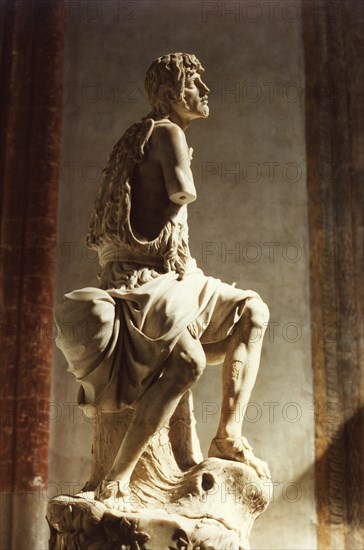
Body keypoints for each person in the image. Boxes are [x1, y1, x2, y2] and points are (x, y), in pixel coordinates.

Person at [56, 53, 270, 509]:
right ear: (173, 94)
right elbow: (181, 190)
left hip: (175, 274)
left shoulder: (136, 137)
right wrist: (182, 162)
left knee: (252, 309)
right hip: (144, 280)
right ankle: (120, 474)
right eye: (196, 83)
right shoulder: (167, 131)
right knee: (190, 359)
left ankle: (228, 436)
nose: (206, 92)